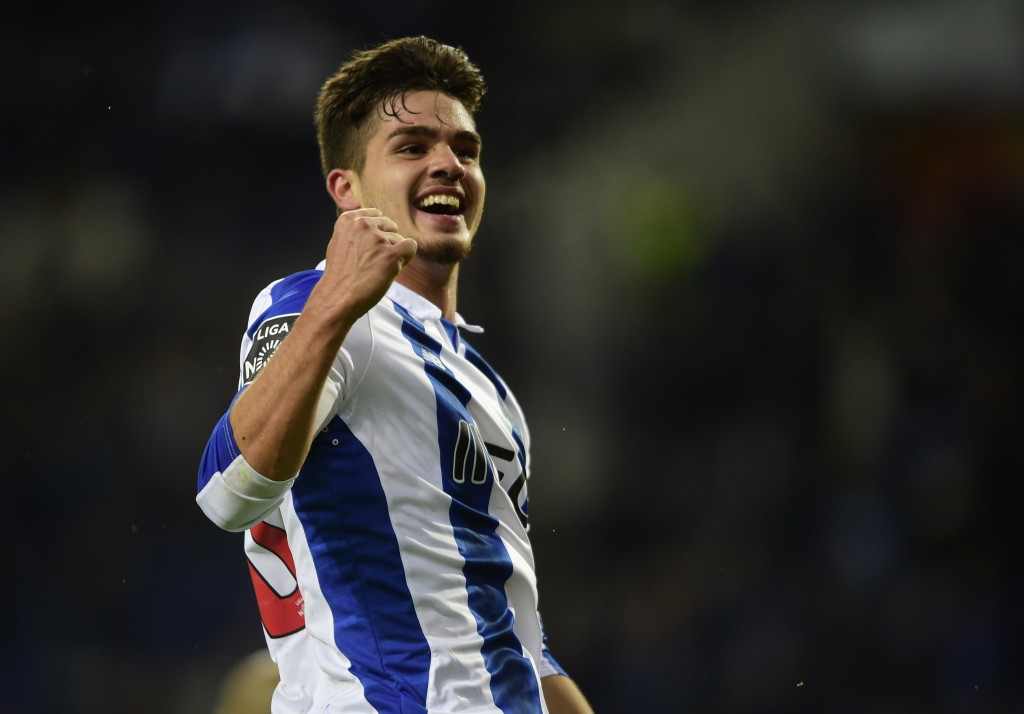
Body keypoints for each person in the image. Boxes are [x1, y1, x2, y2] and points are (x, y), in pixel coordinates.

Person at [195, 35, 595, 713]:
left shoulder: (491, 391)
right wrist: (334, 301)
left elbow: (517, 637)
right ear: (346, 189)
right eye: (412, 147)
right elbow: (228, 492)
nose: (448, 164)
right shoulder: (313, 308)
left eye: (465, 150)